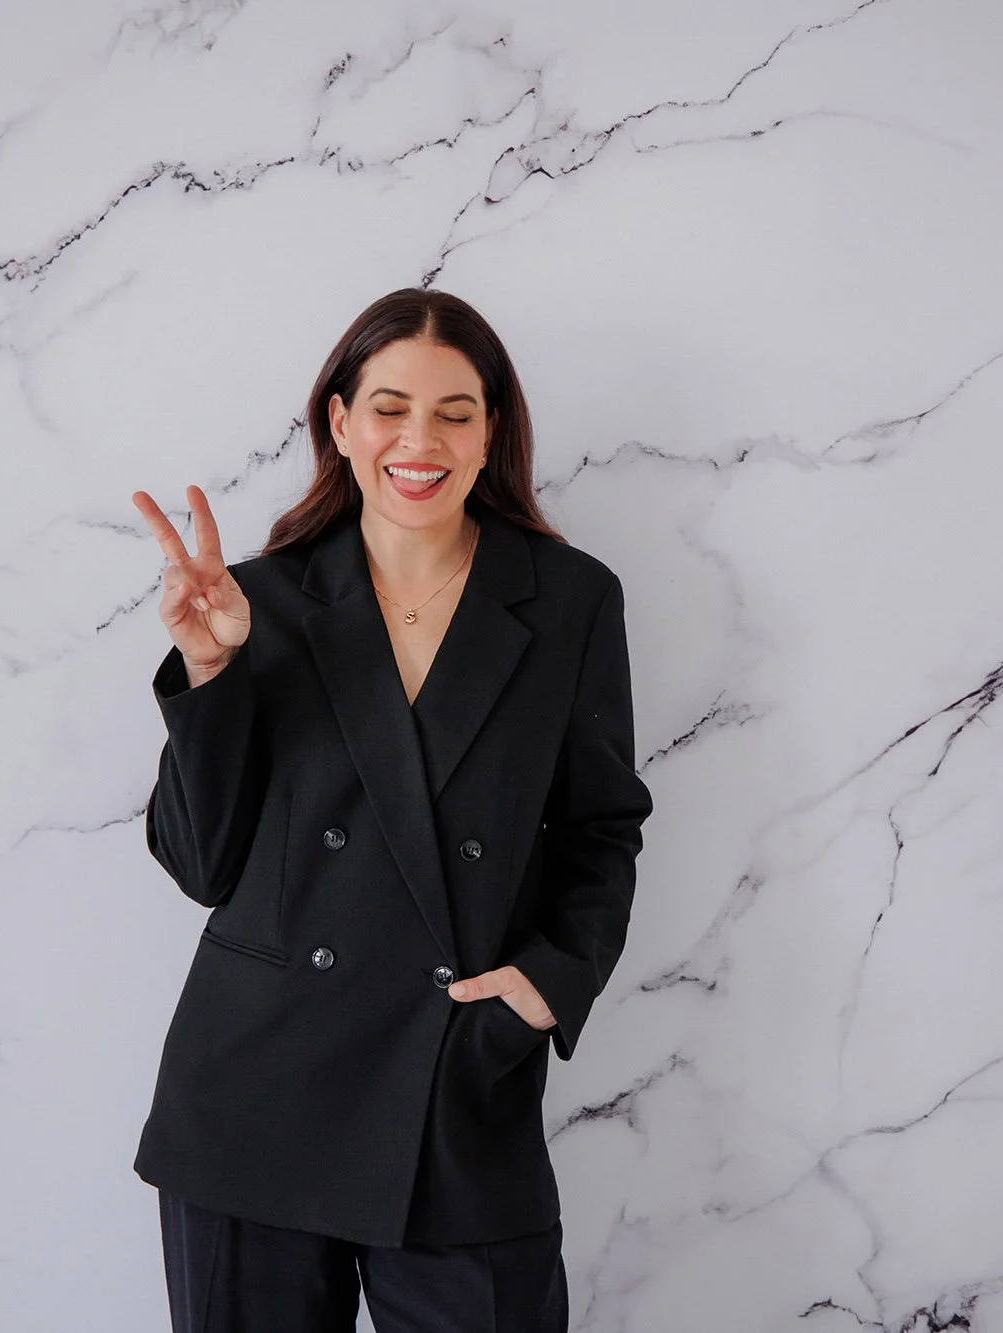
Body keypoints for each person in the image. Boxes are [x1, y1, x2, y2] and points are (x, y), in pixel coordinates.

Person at [128, 287, 654, 1332]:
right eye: (388, 407)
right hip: (254, 1098)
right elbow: (200, 866)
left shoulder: (567, 601)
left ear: (492, 427)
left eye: (455, 410)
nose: (420, 440)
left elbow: (601, 827)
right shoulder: (253, 602)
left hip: (458, 1091)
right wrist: (210, 668)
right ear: (338, 420)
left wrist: (548, 985)